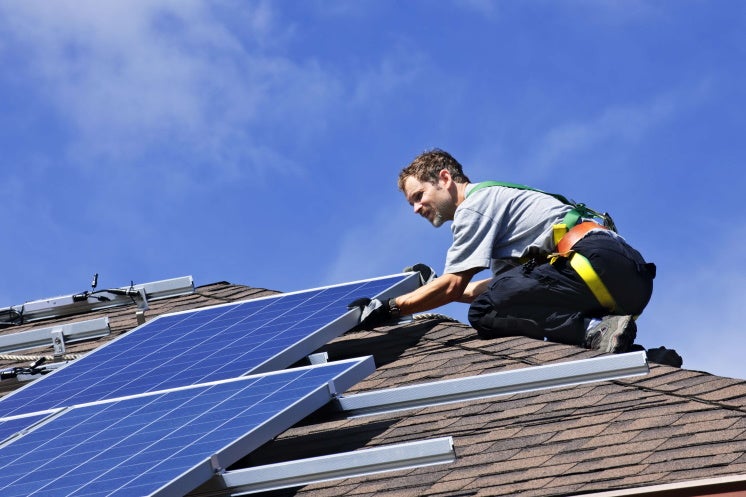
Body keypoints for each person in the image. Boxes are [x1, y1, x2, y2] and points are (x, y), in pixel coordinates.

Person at [349, 148, 657, 354]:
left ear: (444, 178)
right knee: (494, 299)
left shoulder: (474, 207)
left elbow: (457, 285)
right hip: (628, 279)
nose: (416, 208)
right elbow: (492, 288)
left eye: (419, 196)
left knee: (485, 313)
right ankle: (628, 352)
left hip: (594, 265)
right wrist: (433, 290)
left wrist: (389, 307)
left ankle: (592, 331)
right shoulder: (499, 206)